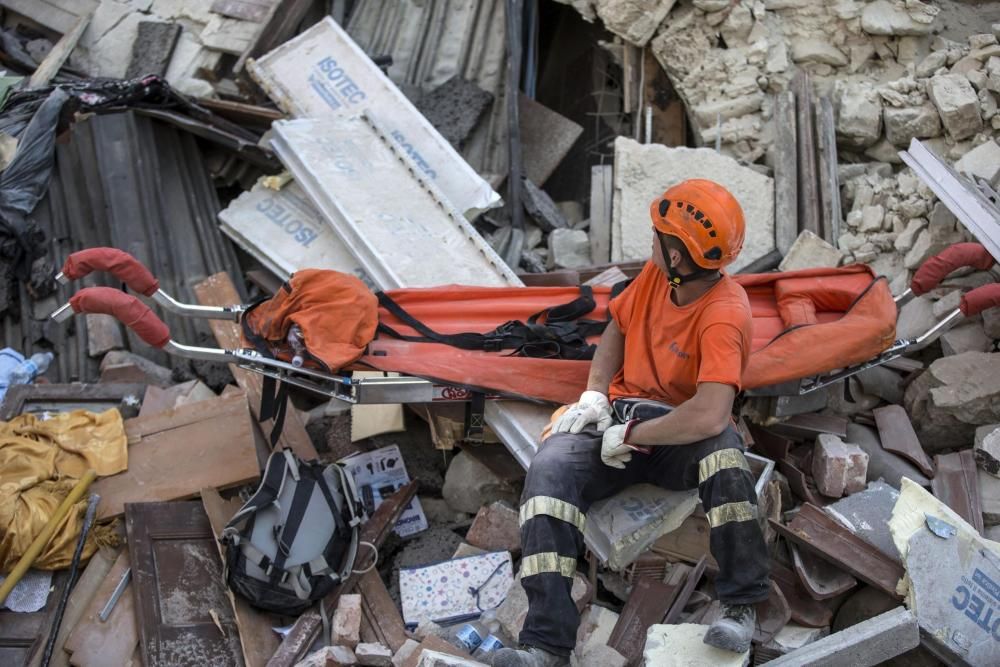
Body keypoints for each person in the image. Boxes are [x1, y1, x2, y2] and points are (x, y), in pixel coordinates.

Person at [492, 179, 771, 667]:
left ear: (679, 257)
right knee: (550, 469)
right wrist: (596, 393)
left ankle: (741, 604)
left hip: (677, 436)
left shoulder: (724, 314)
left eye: (659, 234)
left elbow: (709, 413)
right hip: (623, 419)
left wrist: (633, 437)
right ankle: (546, 644)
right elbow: (617, 326)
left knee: (726, 456)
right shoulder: (658, 277)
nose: (652, 240)